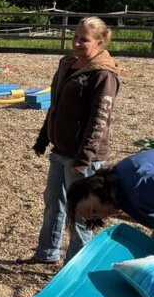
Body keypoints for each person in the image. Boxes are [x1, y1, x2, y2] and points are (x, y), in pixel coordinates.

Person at [28, 16, 121, 265]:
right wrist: (43, 138)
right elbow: (55, 105)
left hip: (82, 156)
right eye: (76, 37)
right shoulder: (67, 63)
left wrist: (84, 157)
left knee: (82, 212)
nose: (77, 43)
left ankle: (75, 266)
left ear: (100, 42)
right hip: (61, 149)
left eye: (84, 40)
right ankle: (46, 253)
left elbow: (99, 119)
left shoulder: (103, 75)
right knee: (53, 203)